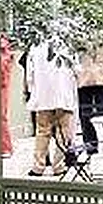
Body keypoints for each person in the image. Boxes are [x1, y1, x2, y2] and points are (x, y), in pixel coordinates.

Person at [26, 32, 78, 176]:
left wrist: (32, 90)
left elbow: (30, 74)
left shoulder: (35, 46)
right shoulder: (67, 45)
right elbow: (76, 69)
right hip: (64, 94)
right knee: (64, 130)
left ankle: (38, 166)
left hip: (43, 94)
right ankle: (59, 165)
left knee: (42, 131)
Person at [75, 42, 103, 152]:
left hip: (84, 77)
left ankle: (91, 144)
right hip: (99, 77)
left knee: (86, 113)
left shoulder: (76, 35)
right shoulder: (102, 35)